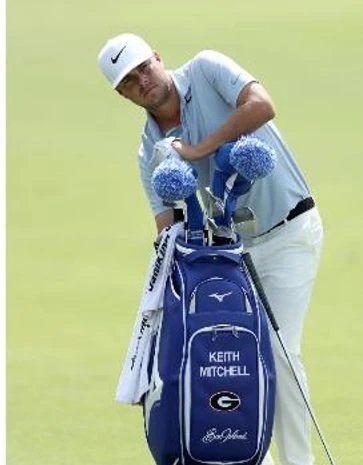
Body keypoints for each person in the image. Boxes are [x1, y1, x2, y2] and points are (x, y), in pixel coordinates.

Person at [98, 33, 323, 465]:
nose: (142, 80)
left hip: (289, 230)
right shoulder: (150, 153)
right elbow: (169, 230)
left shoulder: (206, 68)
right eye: (128, 81)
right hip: (232, 258)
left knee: (278, 351)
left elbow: (261, 106)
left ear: (158, 57)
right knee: (231, 354)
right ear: (122, 94)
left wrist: (200, 149)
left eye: (144, 66)